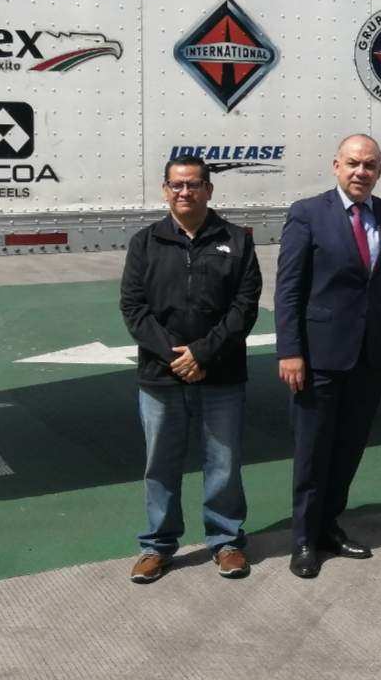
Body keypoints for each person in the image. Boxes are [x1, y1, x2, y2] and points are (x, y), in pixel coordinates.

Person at [120, 154, 262, 583]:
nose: (185, 192)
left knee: (223, 462)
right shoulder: (145, 242)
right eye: (177, 185)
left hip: (221, 374)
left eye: (194, 184)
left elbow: (244, 307)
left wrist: (202, 353)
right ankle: (157, 546)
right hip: (160, 376)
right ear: (165, 190)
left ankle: (226, 542)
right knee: (160, 464)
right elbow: (134, 308)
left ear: (208, 190)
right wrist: (176, 357)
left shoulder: (236, 240)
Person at [274, 135, 381, 579]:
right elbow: (289, 289)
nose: (360, 172)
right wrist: (291, 351)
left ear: (380, 171)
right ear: (336, 166)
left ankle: (329, 526)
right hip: (319, 356)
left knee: (348, 449)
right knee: (312, 453)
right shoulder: (308, 213)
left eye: (369, 165)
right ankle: (303, 539)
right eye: (353, 163)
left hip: (369, 356)